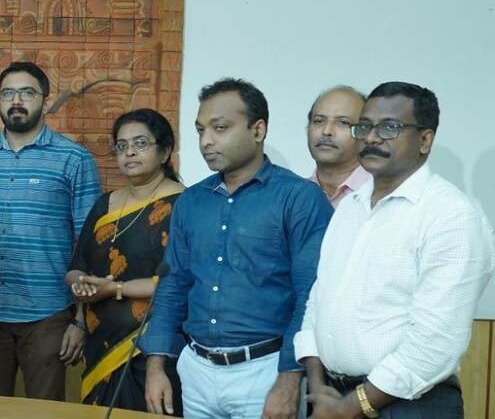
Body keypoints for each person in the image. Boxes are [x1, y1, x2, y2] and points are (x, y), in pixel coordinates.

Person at [295, 82, 495, 418]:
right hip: (331, 396)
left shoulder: (451, 215)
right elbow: (319, 301)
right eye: (364, 126)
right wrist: (317, 385)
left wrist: (351, 407)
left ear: (425, 139)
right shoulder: (351, 207)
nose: (372, 138)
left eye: (390, 127)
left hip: (407, 404)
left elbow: (435, 343)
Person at [138, 78, 333, 418]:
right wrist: (156, 367)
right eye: (200, 130)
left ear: (258, 130)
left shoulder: (299, 198)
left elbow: (311, 296)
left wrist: (289, 380)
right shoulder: (191, 201)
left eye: (220, 128)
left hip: (265, 370)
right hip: (196, 369)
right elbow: (173, 285)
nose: (206, 141)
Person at [0, 61, 101, 401]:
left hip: (47, 314)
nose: (16, 101)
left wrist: (81, 319)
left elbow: (90, 245)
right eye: (8, 93)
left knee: (45, 412)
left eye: (27, 92)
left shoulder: (74, 159)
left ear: (46, 100)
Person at [66, 109, 184, 414]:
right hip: (99, 340)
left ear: (165, 151)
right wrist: (81, 291)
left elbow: (181, 280)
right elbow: (78, 266)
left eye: (141, 143)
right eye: (122, 145)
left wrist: (115, 289)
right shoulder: (104, 204)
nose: (129, 151)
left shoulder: (185, 204)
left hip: (153, 345)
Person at [306, 86, 370, 207]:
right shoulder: (294, 196)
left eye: (343, 122)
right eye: (319, 121)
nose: (326, 131)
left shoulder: (383, 193)